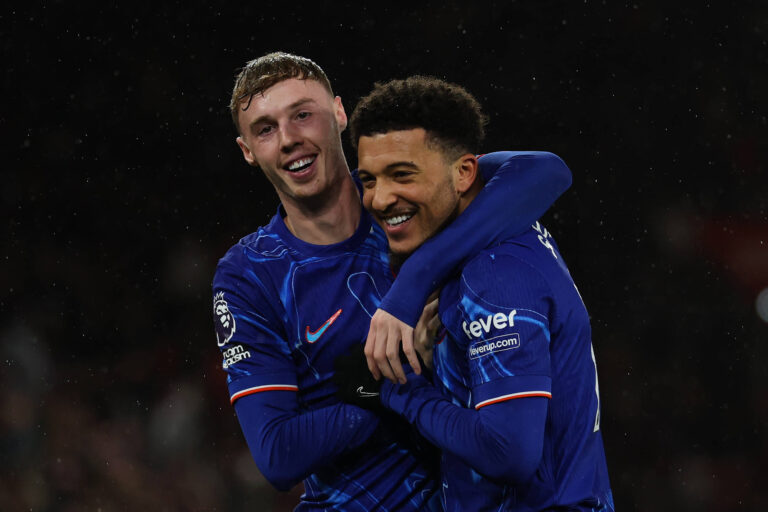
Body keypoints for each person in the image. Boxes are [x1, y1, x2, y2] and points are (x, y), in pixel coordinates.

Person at [212, 52, 572, 510]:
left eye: (303, 115)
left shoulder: (413, 200)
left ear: (339, 114)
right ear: (247, 151)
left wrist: (411, 284)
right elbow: (279, 456)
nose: (288, 139)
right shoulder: (250, 274)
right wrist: (388, 379)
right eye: (265, 129)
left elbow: (545, 171)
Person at [342, 76, 614, 511]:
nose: (380, 198)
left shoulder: (494, 276)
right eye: (369, 179)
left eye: (402, 175)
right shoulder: (495, 229)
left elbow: (509, 453)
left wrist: (398, 389)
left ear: (466, 173)